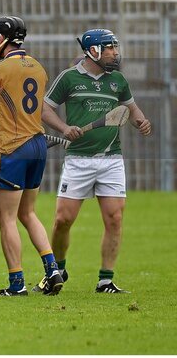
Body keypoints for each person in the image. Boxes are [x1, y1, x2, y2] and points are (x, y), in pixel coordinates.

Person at [41, 28, 152, 294]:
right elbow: (45, 109)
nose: (115, 53)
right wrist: (64, 128)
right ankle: (58, 269)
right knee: (63, 220)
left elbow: (130, 108)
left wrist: (141, 121)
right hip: (78, 159)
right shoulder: (68, 78)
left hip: (111, 159)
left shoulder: (118, 80)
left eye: (115, 47)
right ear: (93, 51)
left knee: (114, 218)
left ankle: (105, 280)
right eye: (110, 48)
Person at [0, 15, 63, 296]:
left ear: (1, 38)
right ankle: (52, 268)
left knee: (6, 217)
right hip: (37, 144)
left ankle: (16, 283)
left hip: (13, 148)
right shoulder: (38, 66)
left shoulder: (1, 68)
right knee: (28, 212)